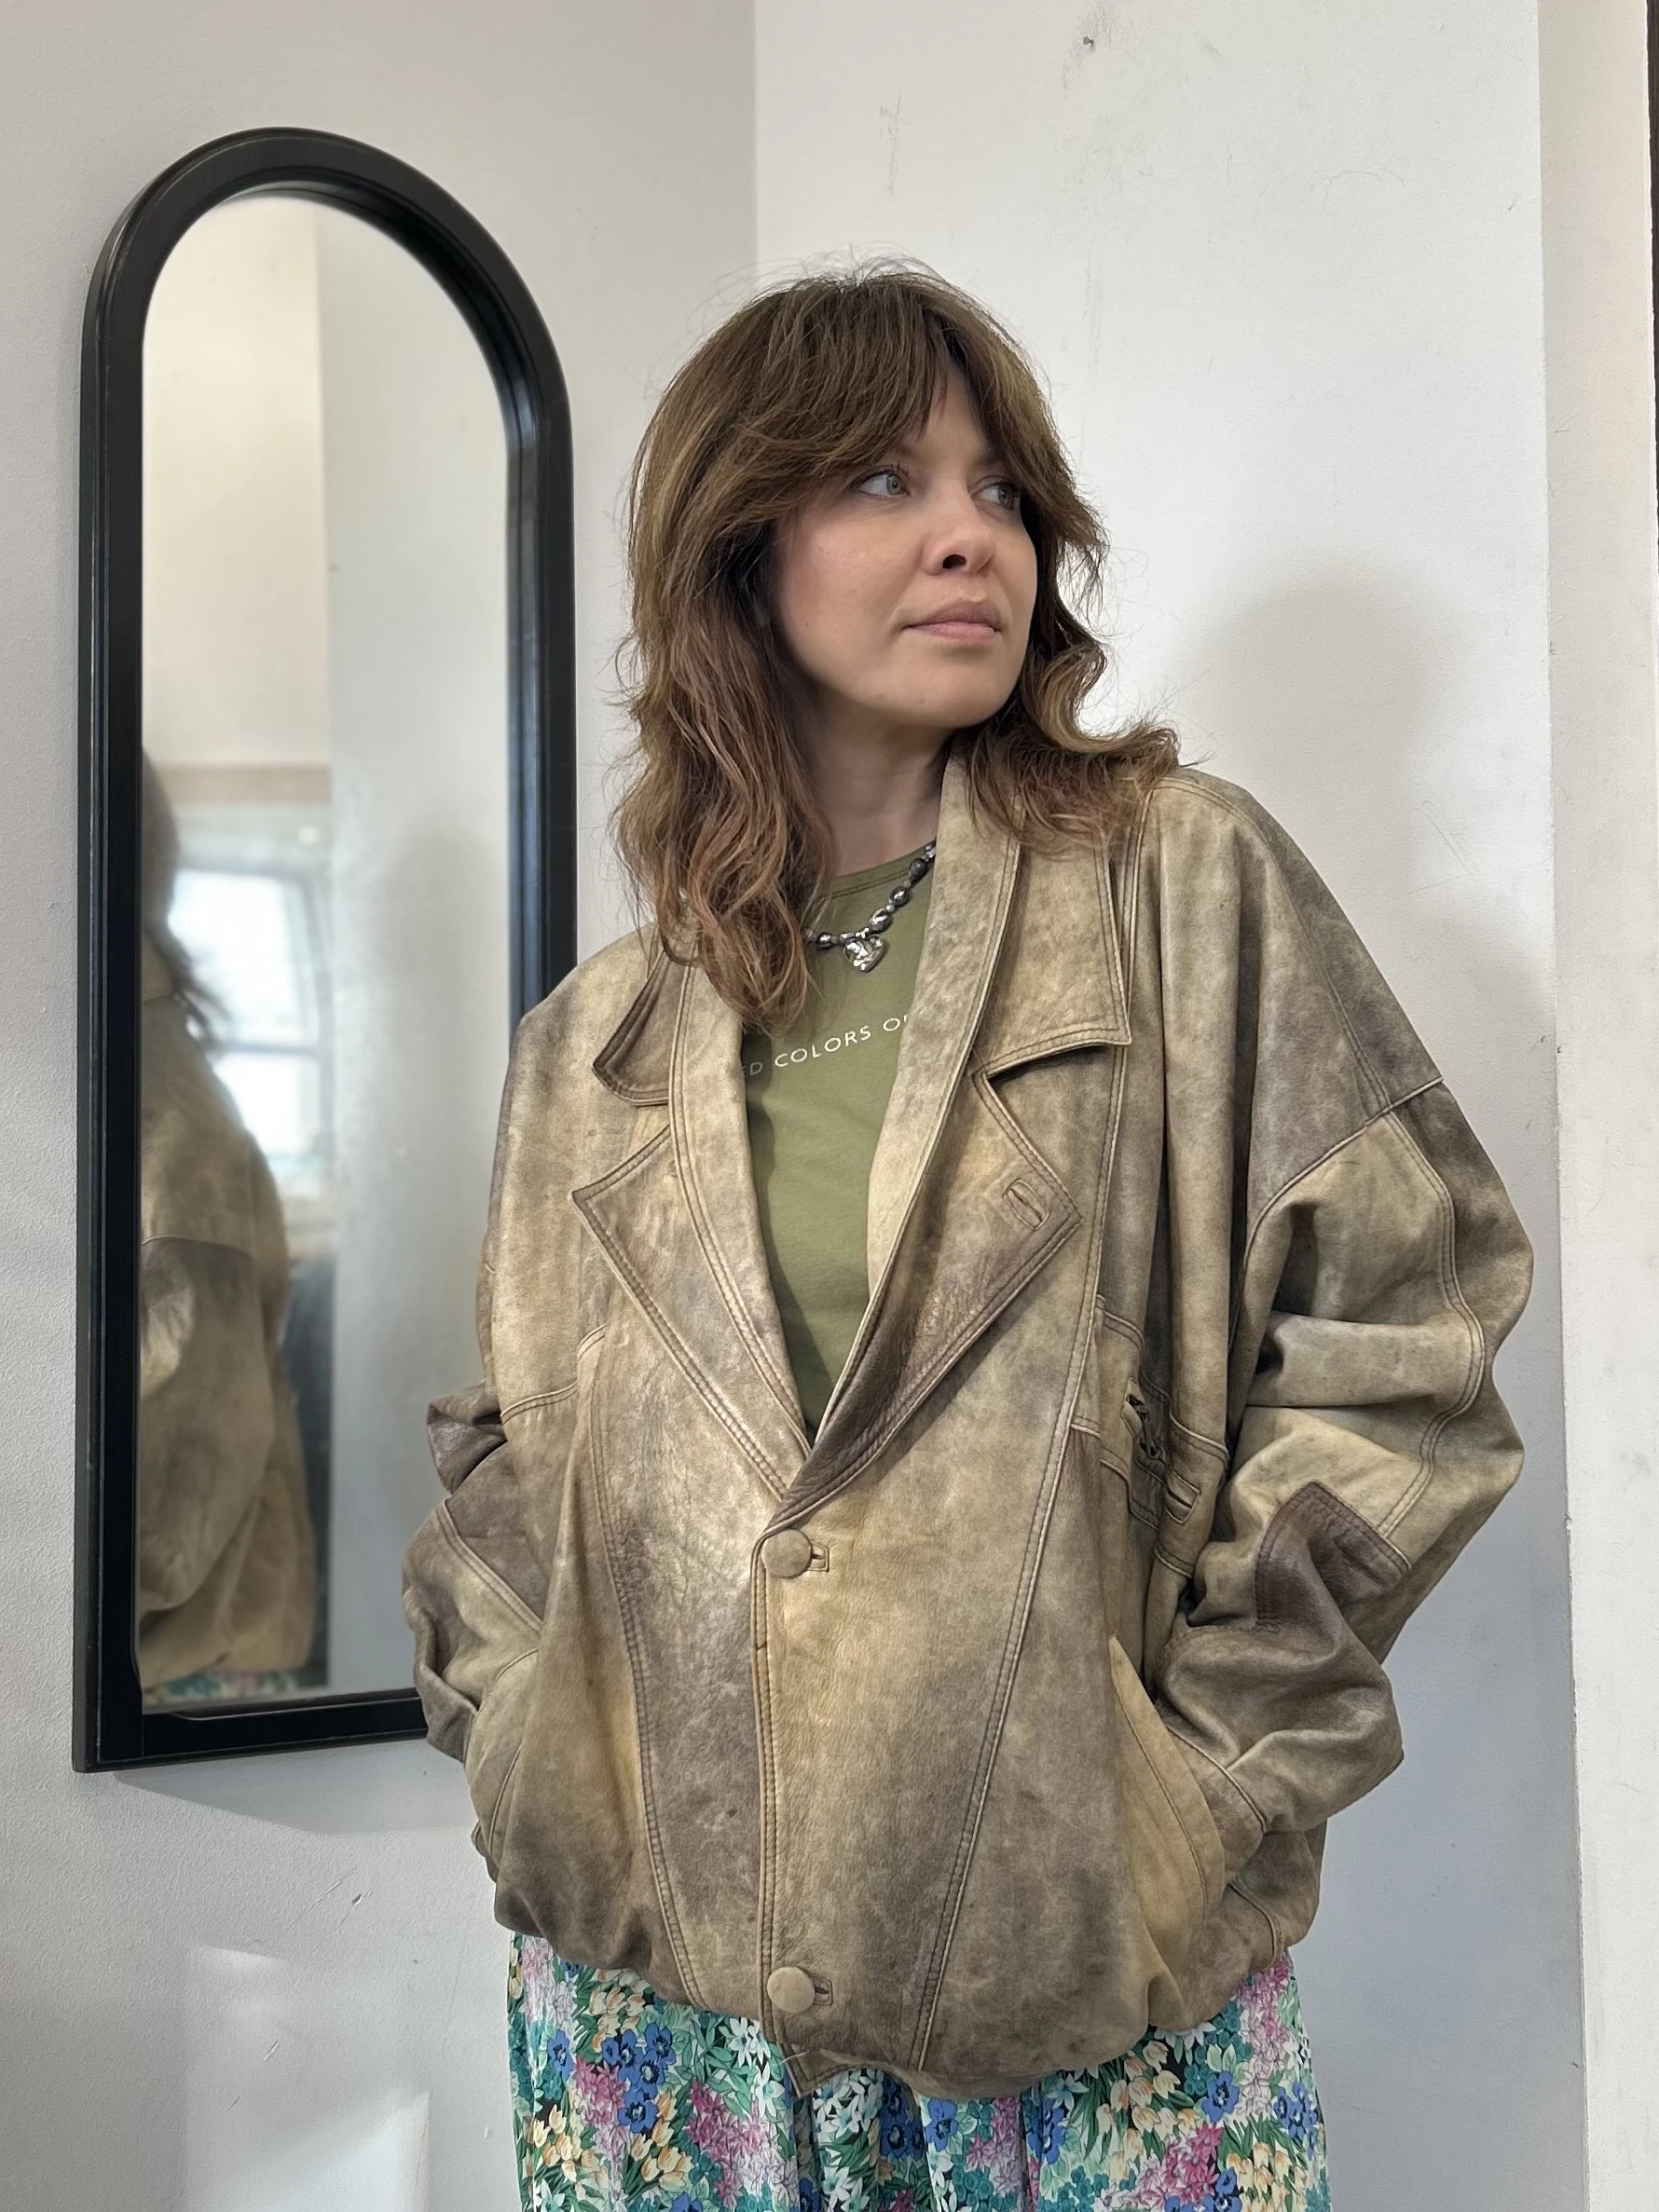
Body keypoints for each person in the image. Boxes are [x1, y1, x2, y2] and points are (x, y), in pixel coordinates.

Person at [403, 267, 1531, 2212]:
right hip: (659, 2008)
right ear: (737, 549)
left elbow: (1405, 1332)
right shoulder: (596, 1037)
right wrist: (525, 1740)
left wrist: (1200, 1788)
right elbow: (509, 1448)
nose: (968, 534)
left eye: (1000, 489)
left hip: (1075, 1977)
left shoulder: (1178, 884)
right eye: (882, 479)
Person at [138, 756, 316, 1700]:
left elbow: (194, 1424)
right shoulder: (115, 1060)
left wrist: (61, 1610)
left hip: (170, 1661)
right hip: (167, 1647)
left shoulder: (152, 1101)